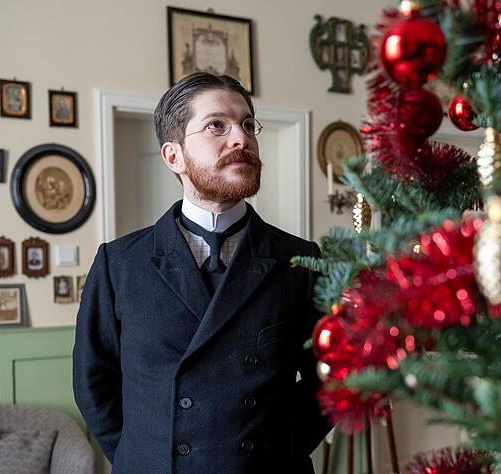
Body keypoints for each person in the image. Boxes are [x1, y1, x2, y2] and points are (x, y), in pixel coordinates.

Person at [73, 73, 330, 473]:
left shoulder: (300, 260)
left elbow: (330, 376)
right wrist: (141, 457)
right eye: (217, 126)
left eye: (248, 125)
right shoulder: (118, 264)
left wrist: (282, 449)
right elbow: (94, 383)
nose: (241, 138)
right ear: (173, 156)